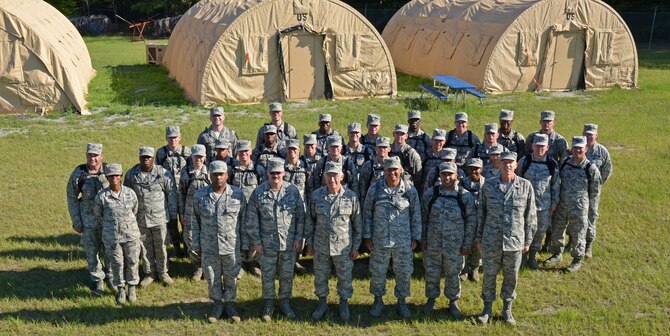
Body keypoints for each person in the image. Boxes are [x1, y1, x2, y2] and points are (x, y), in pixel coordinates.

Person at [476, 151, 537, 325]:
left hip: (514, 241)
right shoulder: (488, 186)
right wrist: (479, 238)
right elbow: (482, 213)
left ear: (516, 165)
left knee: (511, 276)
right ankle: (487, 308)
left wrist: (527, 241)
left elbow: (530, 216)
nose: (508, 165)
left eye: (511, 163)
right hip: (491, 240)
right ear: (499, 165)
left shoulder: (525, 186)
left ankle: (507, 309)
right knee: (489, 274)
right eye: (504, 163)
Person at [246, 159, 306, 321]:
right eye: (272, 173)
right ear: (267, 174)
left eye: (278, 173)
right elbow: (251, 219)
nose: (275, 176)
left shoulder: (292, 191)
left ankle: (285, 303)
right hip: (266, 245)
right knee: (267, 275)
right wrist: (257, 242)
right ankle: (268, 304)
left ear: (283, 173)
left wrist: (299, 238)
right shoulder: (259, 192)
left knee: (287, 275)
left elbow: (301, 216)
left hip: (288, 243)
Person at [363, 157, 421, 319]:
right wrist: (367, 237)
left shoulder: (409, 190)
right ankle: (378, 300)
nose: (392, 172)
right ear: (384, 171)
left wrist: (415, 237)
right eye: (389, 169)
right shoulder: (375, 189)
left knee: (403, 272)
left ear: (401, 170)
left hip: (403, 240)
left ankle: (401, 302)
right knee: (377, 271)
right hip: (379, 240)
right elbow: (367, 213)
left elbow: (416, 214)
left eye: (395, 169)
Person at [191, 161, 248, 323]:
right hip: (209, 246)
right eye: (215, 174)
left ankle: (230, 305)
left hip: (231, 246)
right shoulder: (200, 196)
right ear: (209, 176)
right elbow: (194, 222)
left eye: (221, 174)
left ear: (227, 175)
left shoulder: (237, 195)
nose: (218, 177)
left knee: (232, 277)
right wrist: (196, 245)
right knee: (212, 277)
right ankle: (217, 305)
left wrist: (244, 245)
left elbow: (243, 221)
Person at [306, 161, 362, 321]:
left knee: (344, 276)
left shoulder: (350, 197)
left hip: (343, 247)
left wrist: (356, 246)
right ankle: (322, 303)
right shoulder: (316, 196)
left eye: (335, 175)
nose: (332, 179)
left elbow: (357, 223)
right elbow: (310, 221)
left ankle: (343, 303)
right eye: (329, 175)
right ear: (324, 177)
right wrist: (309, 242)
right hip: (321, 246)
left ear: (342, 177)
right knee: (320, 276)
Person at [420, 162, 477, 318]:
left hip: (455, 245)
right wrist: (423, 239)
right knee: (432, 272)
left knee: (453, 273)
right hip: (433, 243)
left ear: (456, 175)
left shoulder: (464, 196)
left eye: (450, 174)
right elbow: (424, 218)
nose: (447, 177)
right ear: (440, 176)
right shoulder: (430, 194)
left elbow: (471, 222)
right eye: (444, 174)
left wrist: (467, 244)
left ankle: (453, 301)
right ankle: (431, 299)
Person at [545, 136, 601, 272]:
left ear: (586, 149)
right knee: (557, 230)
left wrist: (591, 210)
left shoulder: (591, 169)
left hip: (580, 207)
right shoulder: (564, 163)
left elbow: (595, 193)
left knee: (578, 234)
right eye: (575, 147)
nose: (577, 150)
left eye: (580, 148)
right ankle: (557, 253)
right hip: (562, 204)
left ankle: (577, 259)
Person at [123, 147, 178, 287]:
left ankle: (163, 273)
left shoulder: (163, 174)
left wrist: (172, 216)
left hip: (160, 218)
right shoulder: (131, 175)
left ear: (153, 158)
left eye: (149, 157)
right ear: (139, 158)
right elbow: (127, 195)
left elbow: (171, 195)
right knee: (145, 248)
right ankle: (149, 274)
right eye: (143, 157)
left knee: (161, 247)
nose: (146, 160)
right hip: (141, 219)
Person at [66, 143, 112, 295]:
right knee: (93, 253)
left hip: (108, 221)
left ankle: (112, 277)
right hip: (88, 221)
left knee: (110, 250)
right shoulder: (79, 174)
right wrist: (77, 221)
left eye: (96, 155)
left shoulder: (109, 171)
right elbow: (72, 198)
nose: (93, 158)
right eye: (90, 155)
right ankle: (98, 281)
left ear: (101, 156)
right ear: (86, 155)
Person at [94, 163, 141, 305]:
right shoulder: (102, 196)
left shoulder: (130, 193)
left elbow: (135, 210)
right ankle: (121, 289)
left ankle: (132, 288)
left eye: (116, 175)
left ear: (120, 176)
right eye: (110, 176)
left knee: (132, 261)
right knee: (117, 263)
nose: (114, 178)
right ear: (107, 178)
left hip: (130, 234)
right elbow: (98, 215)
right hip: (112, 237)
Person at [516, 134, 560, 270]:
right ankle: (522, 257)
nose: (540, 148)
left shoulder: (552, 164)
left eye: (543, 146)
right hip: (525, 206)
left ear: (547, 147)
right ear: (532, 147)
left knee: (539, 232)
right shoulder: (525, 161)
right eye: (537, 146)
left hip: (544, 206)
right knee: (524, 231)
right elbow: (517, 181)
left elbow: (555, 185)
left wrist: (554, 203)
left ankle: (533, 256)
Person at [229, 140, 266, 278]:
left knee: (253, 234)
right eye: (240, 152)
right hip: (235, 209)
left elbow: (263, 189)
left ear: (250, 152)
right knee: (236, 235)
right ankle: (239, 263)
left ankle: (253, 262)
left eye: (246, 151)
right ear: (237, 153)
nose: (243, 154)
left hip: (253, 209)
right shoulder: (232, 170)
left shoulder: (258, 169)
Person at [156, 126, 190, 258]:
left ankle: (187, 247)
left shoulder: (186, 151)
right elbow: (157, 171)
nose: (173, 140)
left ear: (180, 137)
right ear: (166, 138)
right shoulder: (161, 153)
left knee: (185, 220)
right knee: (171, 221)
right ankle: (176, 247)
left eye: (175, 137)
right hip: (168, 193)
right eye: (170, 138)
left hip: (183, 192)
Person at [179, 144, 211, 281]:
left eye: (200, 157)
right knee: (191, 240)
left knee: (208, 240)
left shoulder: (210, 172)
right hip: (190, 213)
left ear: (204, 158)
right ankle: (198, 266)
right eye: (195, 156)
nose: (198, 159)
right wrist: (181, 213)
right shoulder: (186, 173)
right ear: (191, 157)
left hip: (207, 213)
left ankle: (208, 266)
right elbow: (181, 193)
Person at [583, 123, 612, 258]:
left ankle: (588, 245)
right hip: (576, 191)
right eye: (586, 134)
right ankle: (573, 241)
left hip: (593, 192)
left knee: (591, 216)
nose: (588, 136)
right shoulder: (577, 148)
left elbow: (607, 170)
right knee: (574, 216)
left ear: (596, 135)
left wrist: (598, 184)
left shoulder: (602, 151)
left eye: (591, 134)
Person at [460, 158, 485, 282]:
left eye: (476, 168)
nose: (473, 171)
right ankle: (463, 269)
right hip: (466, 219)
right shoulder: (462, 183)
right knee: (465, 243)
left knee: (477, 244)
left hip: (481, 219)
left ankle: (474, 268)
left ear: (481, 169)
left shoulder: (487, 184)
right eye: (471, 168)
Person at [358, 137, 391, 203]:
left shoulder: (394, 166)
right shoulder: (368, 166)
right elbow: (362, 188)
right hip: (372, 202)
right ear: (376, 149)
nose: (382, 149)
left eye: (384, 147)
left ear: (389, 149)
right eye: (379, 147)